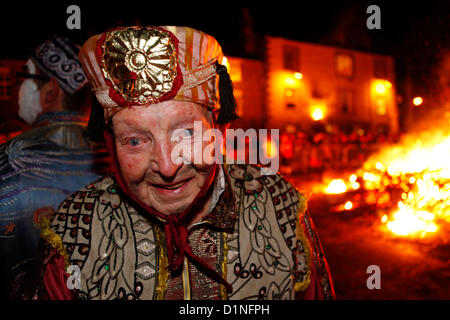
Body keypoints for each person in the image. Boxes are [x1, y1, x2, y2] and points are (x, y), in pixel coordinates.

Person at [13, 26, 334, 300]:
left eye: (186, 133)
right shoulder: (75, 230)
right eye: (135, 140)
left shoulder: (278, 207)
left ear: (217, 129)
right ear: (111, 142)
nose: (167, 167)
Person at [0, 36, 111, 299]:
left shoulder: (10, 159)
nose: (19, 88)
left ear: (51, 91)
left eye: (25, 76)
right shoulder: (117, 157)